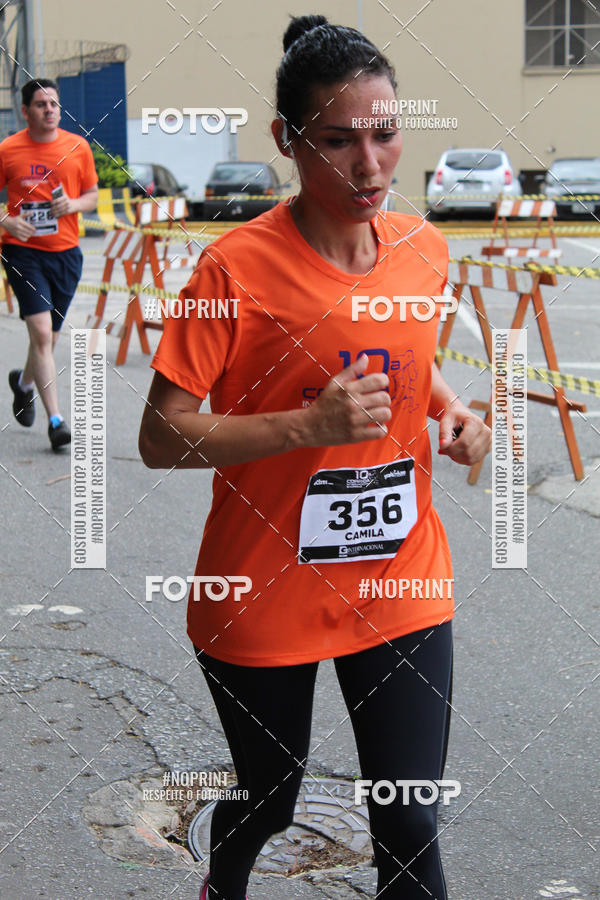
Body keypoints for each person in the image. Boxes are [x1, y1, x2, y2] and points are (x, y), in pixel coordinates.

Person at [139, 15, 491, 900]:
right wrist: (305, 429)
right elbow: (159, 434)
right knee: (269, 797)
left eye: (385, 135)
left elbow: (409, 360)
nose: (370, 165)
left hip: (400, 579)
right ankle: (228, 872)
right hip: (263, 586)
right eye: (338, 142)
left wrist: (453, 415)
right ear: (287, 141)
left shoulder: (424, 250)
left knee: (408, 821)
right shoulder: (234, 270)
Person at [1, 77, 98, 450]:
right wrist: (5, 220)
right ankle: (57, 422)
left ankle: (23, 384)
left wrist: (73, 205)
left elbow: (91, 195)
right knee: (41, 334)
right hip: (22, 252)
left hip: (66, 255)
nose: (50, 110)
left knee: (49, 338)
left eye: (54, 104)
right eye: (41, 104)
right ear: (25, 112)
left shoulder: (78, 147)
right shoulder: (8, 149)